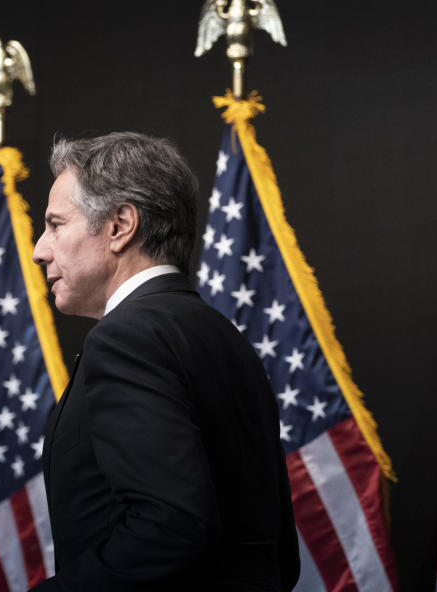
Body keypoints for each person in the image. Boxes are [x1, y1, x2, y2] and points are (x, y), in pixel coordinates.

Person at [30, 132, 299, 591]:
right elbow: (278, 555)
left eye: (56, 224)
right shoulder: (222, 337)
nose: (40, 249)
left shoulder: (126, 339)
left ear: (120, 226)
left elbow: (173, 522)